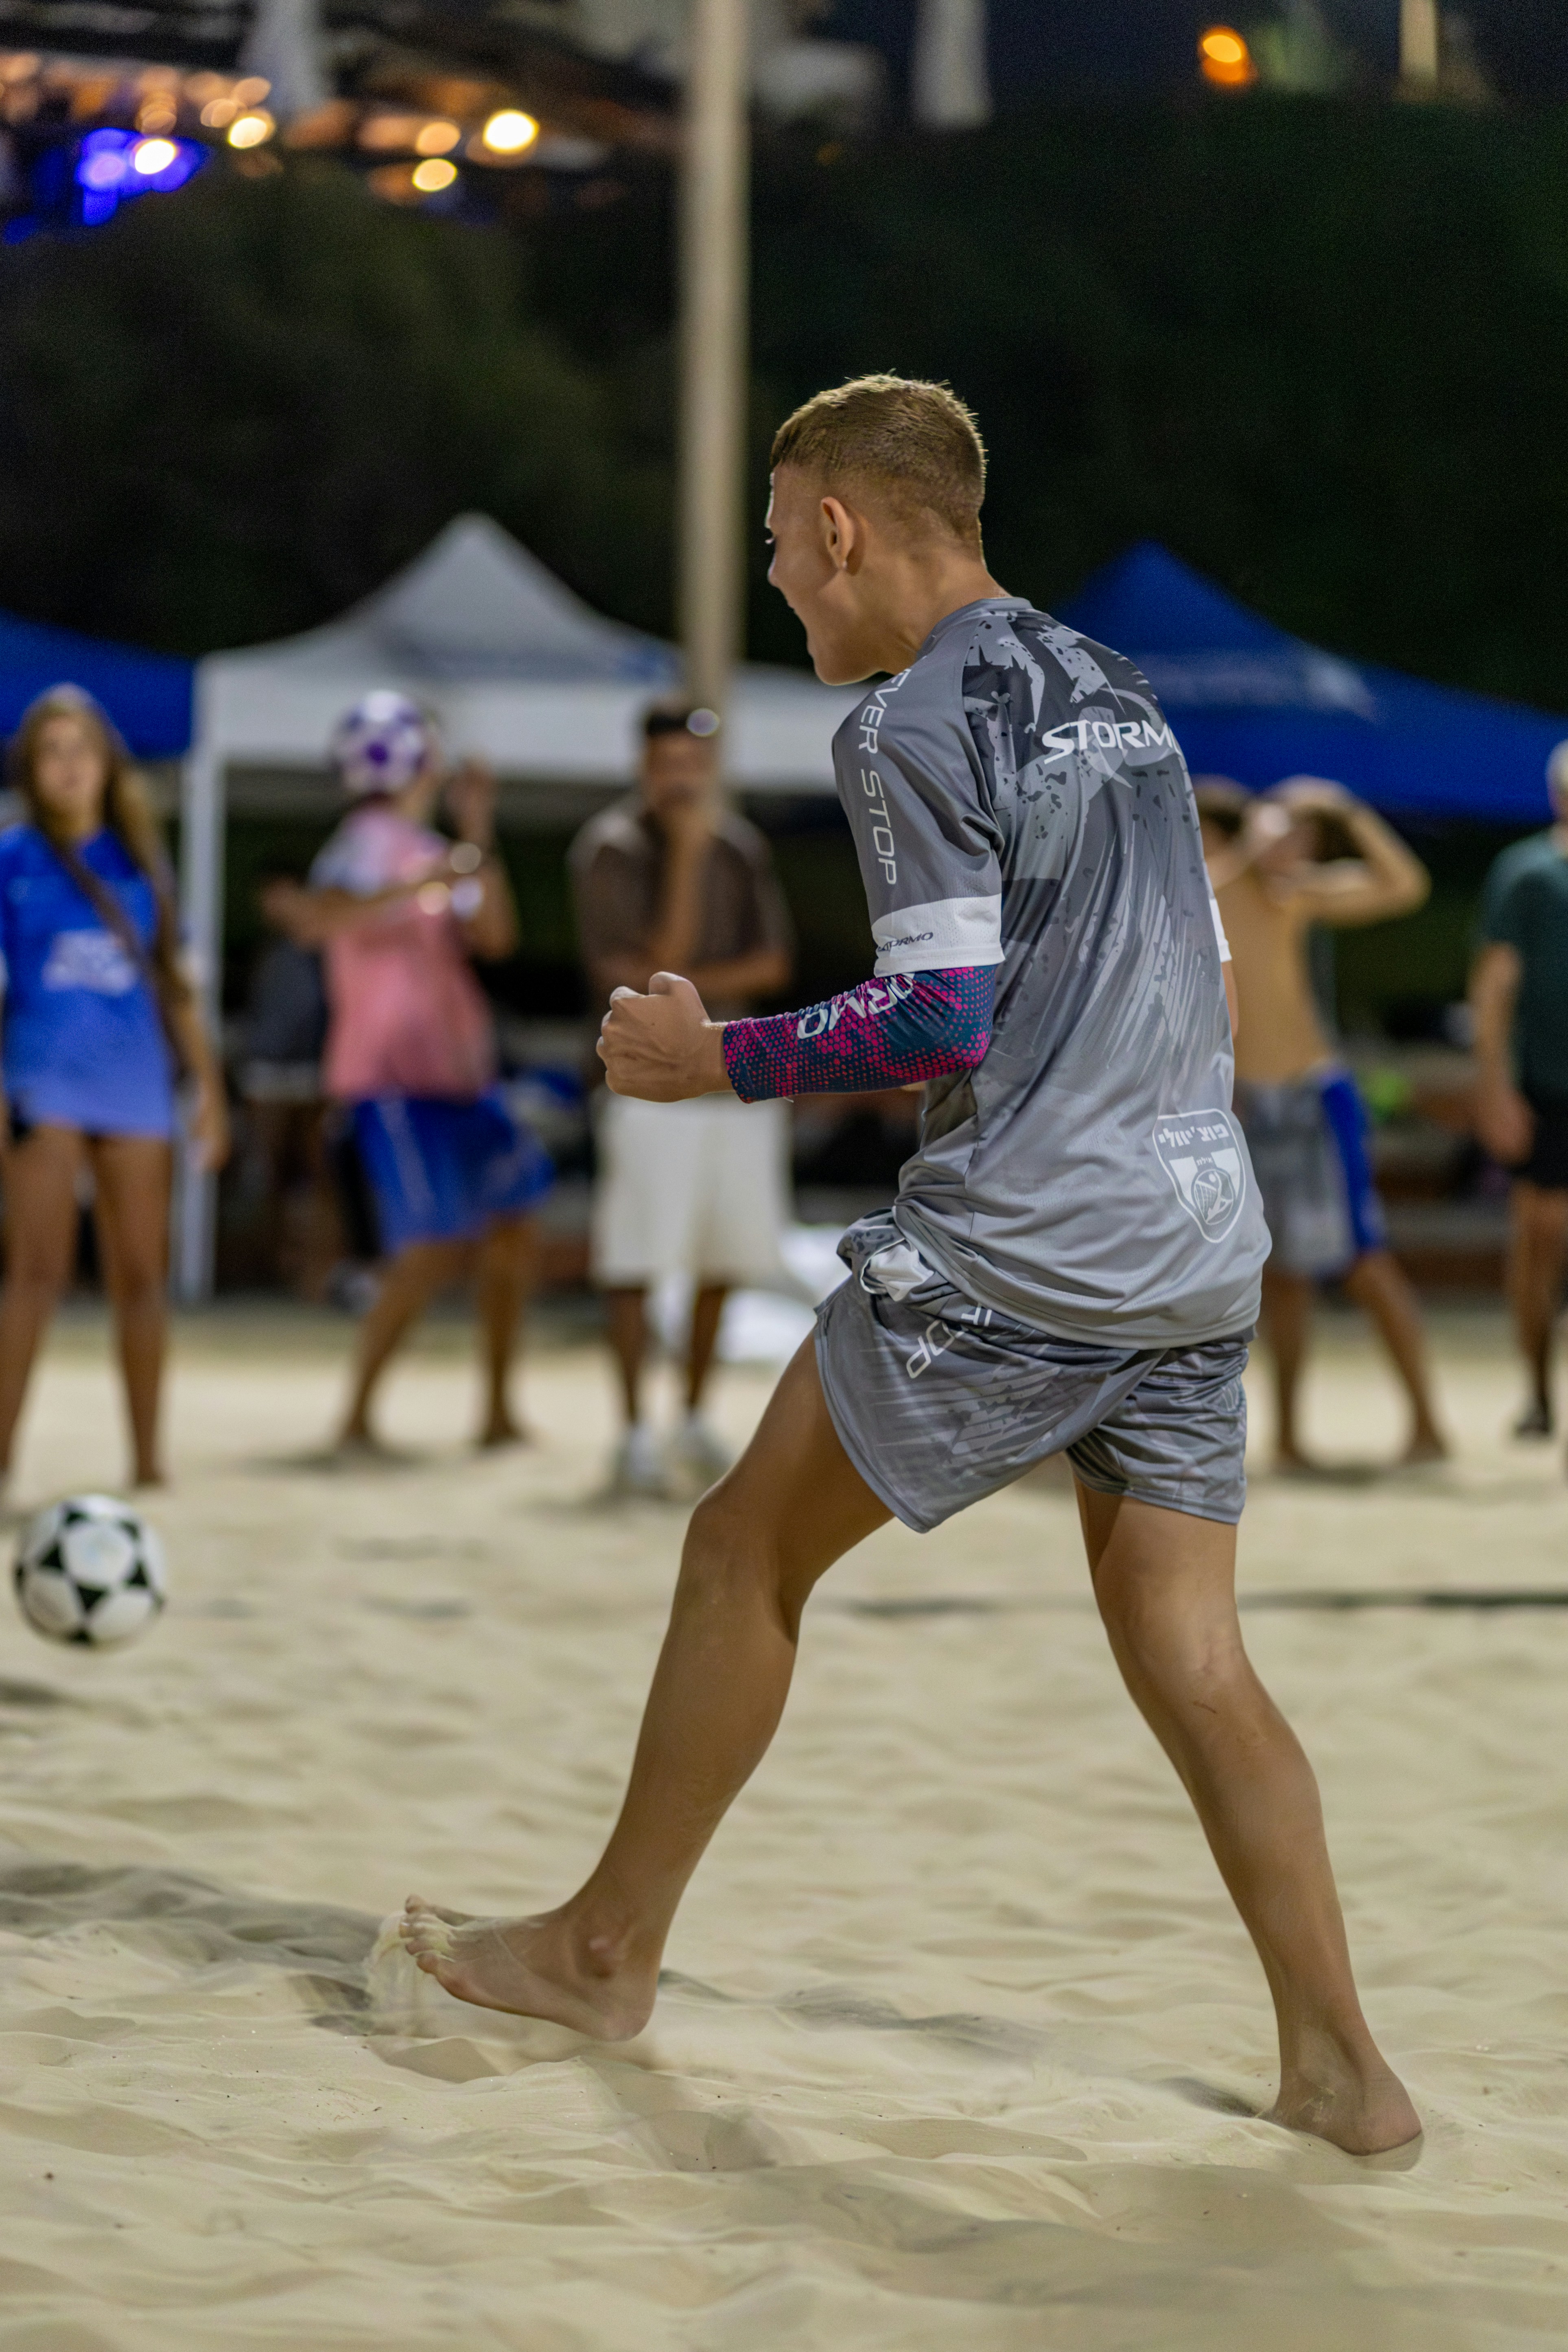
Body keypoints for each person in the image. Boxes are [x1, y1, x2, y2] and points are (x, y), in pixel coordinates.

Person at [401, 376, 1419, 2156]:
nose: (782, 583)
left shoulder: (905, 724)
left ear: (847, 525)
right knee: (1190, 1653)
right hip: (1195, 1241)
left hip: (1031, 1247)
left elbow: (936, 1009)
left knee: (737, 1548)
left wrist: (706, 1058)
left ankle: (600, 1948)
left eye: (782, 544)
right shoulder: (1110, 684)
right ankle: (1342, 2069)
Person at [282, 693, 552, 1452]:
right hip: (391, 1080)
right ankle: (357, 1414)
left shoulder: (427, 847)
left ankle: (495, 1411)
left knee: (511, 1227)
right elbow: (323, 914)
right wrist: (435, 874)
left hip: (459, 1078)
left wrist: (473, 837)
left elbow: (495, 935)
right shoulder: (365, 840)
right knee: (430, 1246)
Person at [0, 684, 228, 1492]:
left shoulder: (142, 865)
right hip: (42, 1083)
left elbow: (176, 987)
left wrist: (210, 1090)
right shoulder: (12, 858)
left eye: (80, 750)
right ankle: (1, 1462)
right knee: (34, 1272)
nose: (66, 767)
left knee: (141, 1278)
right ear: (31, 768)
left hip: (136, 1090)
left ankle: (148, 1462)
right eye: (50, 752)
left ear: (106, 764)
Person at [569, 704, 793, 1496]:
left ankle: (693, 1414)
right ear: (644, 764)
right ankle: (632, 1429)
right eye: (667, 761)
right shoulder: (613, 849)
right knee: (633, 1256)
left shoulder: (741, 847)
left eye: (693, 761)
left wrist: (696, 1001)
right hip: (646, 1085)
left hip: (731, 1080)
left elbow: (772, 963)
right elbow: (651, 969)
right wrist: (690, 862)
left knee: (722, 1255)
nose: (681, 777)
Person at [1197, 778, 1447, 1473]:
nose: (1294, 846)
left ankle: (1427, 1425)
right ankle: (1288, 1438)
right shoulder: (1211, 888)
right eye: (1287, 832)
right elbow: (1187, 885)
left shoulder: (1293, 893)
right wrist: (1257, 840)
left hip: (1312, 1095)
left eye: (1305, 839)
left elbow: (1403, 885)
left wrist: (1349, 812)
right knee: (1281, 1277)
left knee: (1365, 1263)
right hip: (1249, 1102)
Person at [1470, 739, 1568, 1442]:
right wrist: (1494, 1088)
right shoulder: (1528, 873)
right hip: (1547, 1086)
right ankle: (1538, 1393)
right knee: (1540, 1240)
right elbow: (1493, 984)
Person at [235, 868, 339, 1299]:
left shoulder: (331, 947)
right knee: (269, 1176)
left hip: (317, 1073)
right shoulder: (267, 951)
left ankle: (316, 1274)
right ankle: (270, 1273)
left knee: (319, 1177)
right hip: (267, 1073)